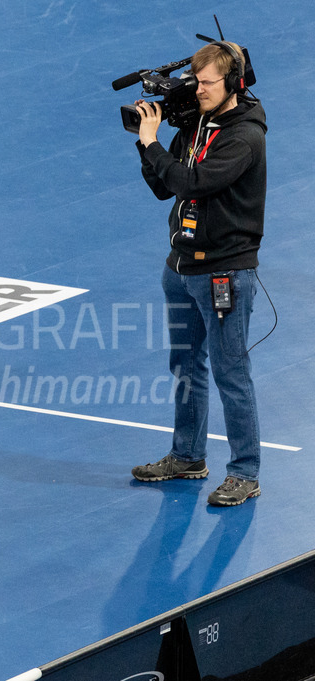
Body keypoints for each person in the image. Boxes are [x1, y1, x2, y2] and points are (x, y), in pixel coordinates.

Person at [129, 41, 266, 506]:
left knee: (232, 372)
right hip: (181, 266)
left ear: (233, 84)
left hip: (224, 272)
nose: (198, 90)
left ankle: (245, 472)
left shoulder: (243, 137)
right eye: (196, 81)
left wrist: (152, 144)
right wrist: (145, 144)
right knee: (186, 365)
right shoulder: (197, 125)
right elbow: (163, 188)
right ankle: (188, 456)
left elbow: (194, 183)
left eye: (208, 84)